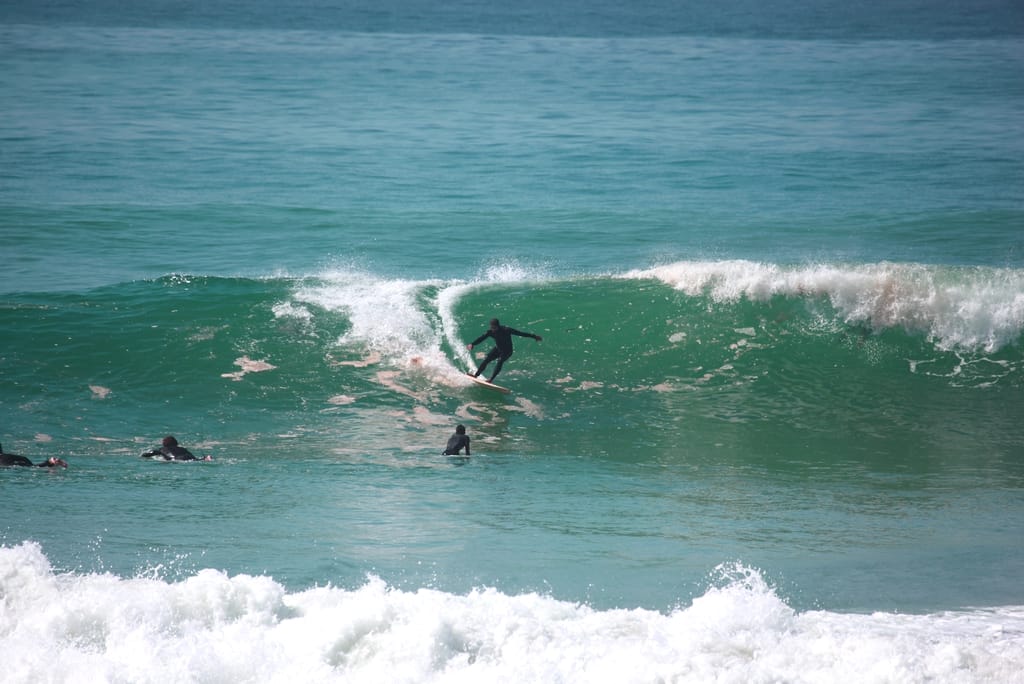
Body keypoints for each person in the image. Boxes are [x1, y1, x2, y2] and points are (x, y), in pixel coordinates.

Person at [467, 318, 542, 383]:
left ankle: (491, 379)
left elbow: (520, 333)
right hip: (497, 349)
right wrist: (472, 344)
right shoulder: (490, 332)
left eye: (495, 327)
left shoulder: (506, 330)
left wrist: (534, 336)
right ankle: (476, 375)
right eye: (492, 327)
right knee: (486, 360)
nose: (493, 329)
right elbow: (481, 338)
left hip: (507, 351)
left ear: (498, 326)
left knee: (500, 361)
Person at [141, 436, 211, 461]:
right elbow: (192, 457)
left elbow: (153, 453)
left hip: (177, 459)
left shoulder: (162, 449)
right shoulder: (182, 448)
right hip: (188, 457)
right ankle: (206, 458)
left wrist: (144, 455)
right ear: (176, 443)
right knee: (197, 460)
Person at [0, 443, 68, 468]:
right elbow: (24, 458)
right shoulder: (5, 456)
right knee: (32, 466)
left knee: (32, 467)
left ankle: (50, 462)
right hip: (5, 458)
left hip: (4, 462)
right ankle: (50, 462)